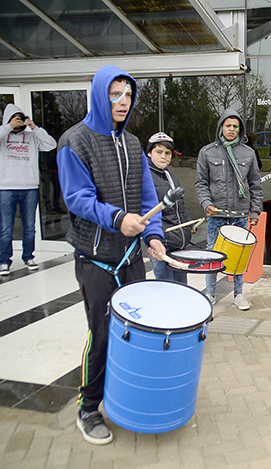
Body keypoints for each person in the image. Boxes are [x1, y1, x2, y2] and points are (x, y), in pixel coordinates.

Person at [57, 64, 167, 445]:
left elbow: (147, 198)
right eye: (115, 94)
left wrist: (152, 235)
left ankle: (126, 397)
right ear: (100, 95)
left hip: (130, 257)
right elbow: (77, 198)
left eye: (128, 95)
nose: (123, 102)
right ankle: (88, 408)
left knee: (136, 332)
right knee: (102, 334)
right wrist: (118, 219)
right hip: (95, 259)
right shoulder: (75, 141)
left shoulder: (134, 143)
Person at [195, 109, 262, 309]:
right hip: (217, 214)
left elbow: (256, 185)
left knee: (240, 255)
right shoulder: (207, 152)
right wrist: (207, 204)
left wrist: (255, 211)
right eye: (228, 125)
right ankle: (210, 293)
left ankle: (239, 295)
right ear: (221, 127)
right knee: (211, 254)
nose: (231, 129)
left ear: (240, 130)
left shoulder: (248, 153)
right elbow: (201, 184)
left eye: (235, 126)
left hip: (240, 214)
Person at [0, 104, 57, 276]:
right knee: (5, 227)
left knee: (30, 226)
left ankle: (28, 257)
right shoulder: (3, 136)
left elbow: (51, 144)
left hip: (30, 186)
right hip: (6, 187)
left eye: (21, 117)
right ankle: (4, 261)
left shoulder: (31, 137)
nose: (19, 120)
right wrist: (9, 126)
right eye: (15, 117)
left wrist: (35, 127)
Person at [146, 132, 193, 284]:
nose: (164, 156)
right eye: (158, 152)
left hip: (179, 241)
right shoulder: (145, 177)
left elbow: (181, 207)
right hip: (162, 242)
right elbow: (147, 211)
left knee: (181, 285)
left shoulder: (172, 177)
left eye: (168, 153)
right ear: (149, 153)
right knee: (165, 286)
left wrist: (189, 224)